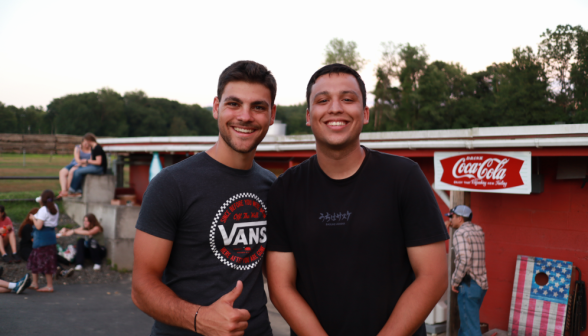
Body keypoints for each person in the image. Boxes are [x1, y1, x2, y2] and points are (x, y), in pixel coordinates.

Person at [265, 63, 449, 336]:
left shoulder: (404, 177)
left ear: (364, 114)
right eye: (323, 100)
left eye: (348, 99)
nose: (335, 108)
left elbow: (433, 277)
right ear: (308, 115)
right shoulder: (285, 188)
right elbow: (281, 287)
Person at [132, 60, 277, 336]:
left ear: (272, 115)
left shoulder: (273, 187)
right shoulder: (172, 184)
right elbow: (142, 287)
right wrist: (200, 318)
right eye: (234, 104)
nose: (245, 116)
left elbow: (282, 276)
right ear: (216, 107)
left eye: (258, 107)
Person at [445, 205, 488, 336]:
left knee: (470, 330)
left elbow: (464, 259)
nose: (450, 220)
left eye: (452, 217)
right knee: (465, 328)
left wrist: (455, 281)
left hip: (468, 285)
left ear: (460, 218)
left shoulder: (460, 233)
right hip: (481, 284)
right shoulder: (478, 230)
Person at [28, 190, 59, 292]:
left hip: (41, 239)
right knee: (45, 260)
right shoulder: (55, 207)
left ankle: (49, 286)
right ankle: (34, 283)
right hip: (51, 238)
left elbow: (39, 226)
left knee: (38, 260)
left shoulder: (43, 210)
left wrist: (33, 218)